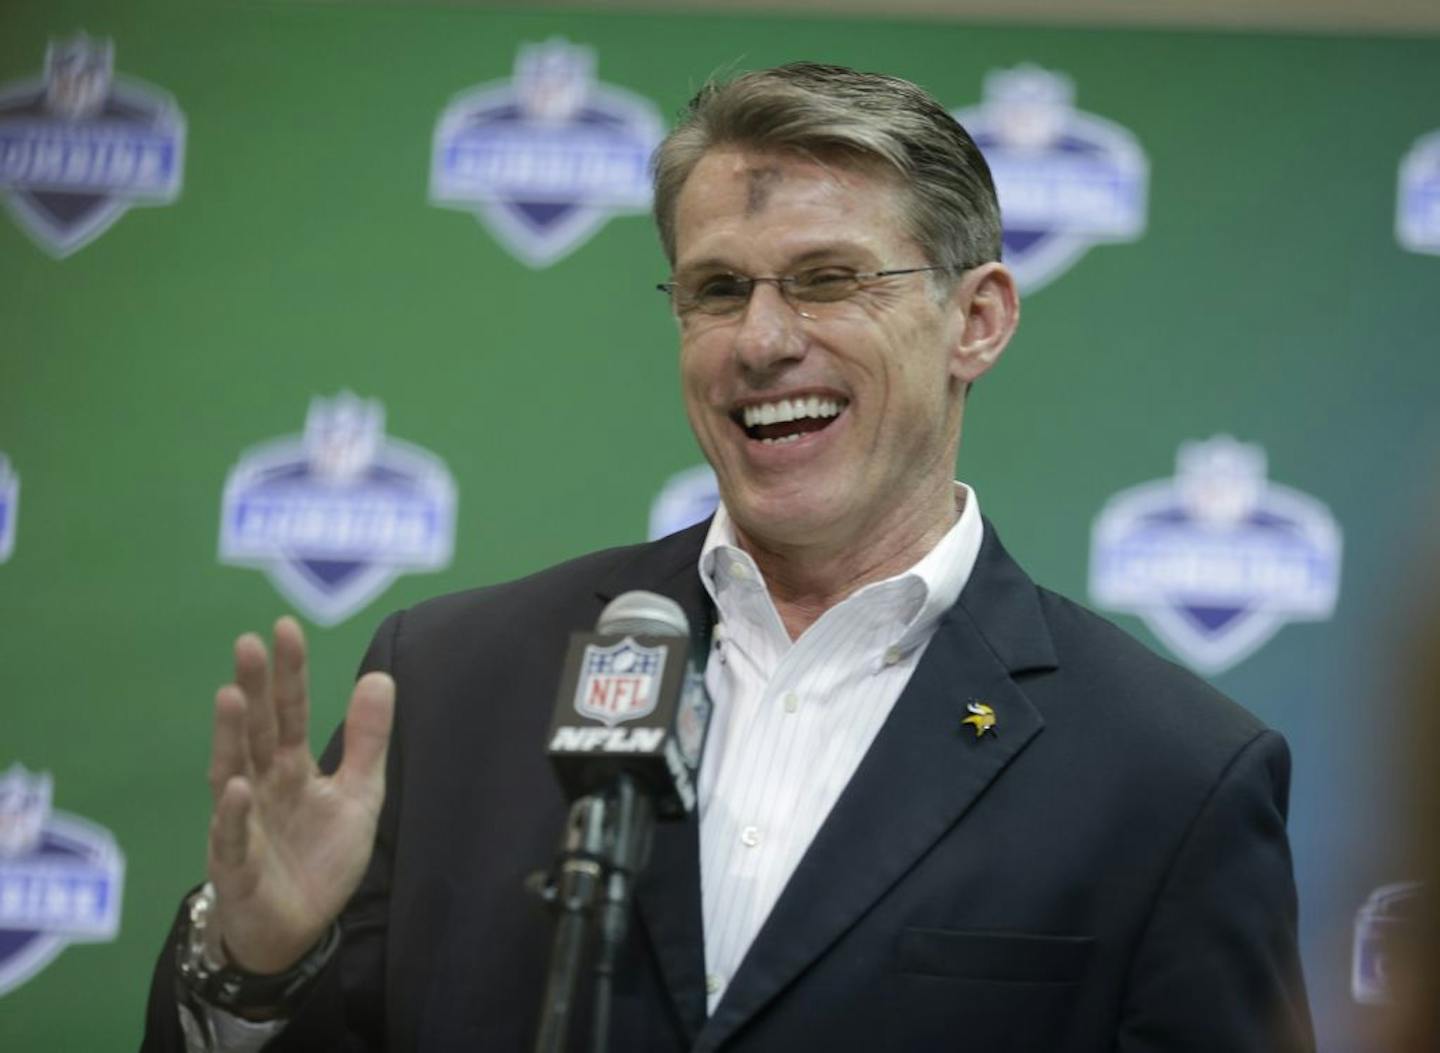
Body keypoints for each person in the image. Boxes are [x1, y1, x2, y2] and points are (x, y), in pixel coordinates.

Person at [143, 62, 1314, 1052]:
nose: (761, 341)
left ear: (978, 319)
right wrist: (252, 967)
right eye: (716, 290)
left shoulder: (1172, 778)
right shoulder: (450, 685)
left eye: (829, 279)